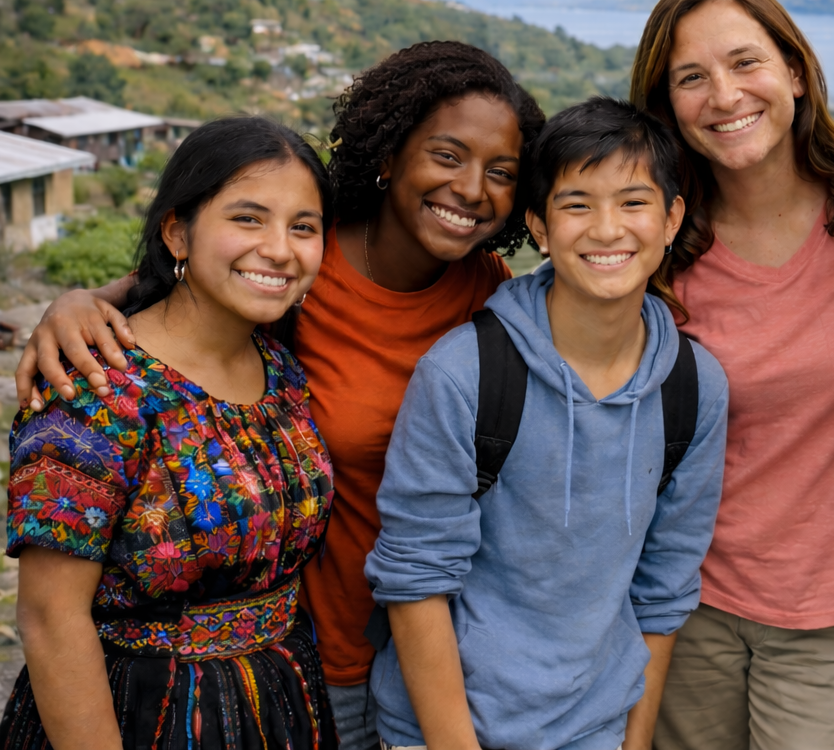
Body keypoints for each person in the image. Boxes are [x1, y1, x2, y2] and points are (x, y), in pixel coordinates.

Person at [14, 41, 546, 750]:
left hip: (376, 665)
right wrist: (78, 303)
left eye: (502, 172)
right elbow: (52, 618)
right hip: (271, 671)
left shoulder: (485, 296)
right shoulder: (292, 283)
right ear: (388, 155)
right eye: (446, 156)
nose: (473, 188)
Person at [364, 96, 729, 750]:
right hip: (444, 730)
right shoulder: (465, 373)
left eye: (634, 202)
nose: (607, 229)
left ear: (671, 218)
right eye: (577, 204)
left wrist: (634, 740)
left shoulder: (693, 387)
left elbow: (665, 587)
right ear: (539, 225)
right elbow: (416, 582)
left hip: (595, 728)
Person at [1, 117, 336, 749]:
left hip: (281, 706)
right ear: (177, 231)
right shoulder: (96, 391)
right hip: (142, 714)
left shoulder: (281, 366)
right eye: (247, 218)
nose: (280, 248)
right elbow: (50, 619)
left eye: (303, 227)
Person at [631, 0, 834, 750]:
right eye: (691, 77)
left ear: (793, 70)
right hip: (682, 610)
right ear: (667, 106)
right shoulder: (657, 245)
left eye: (745, 63)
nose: (724, 95)